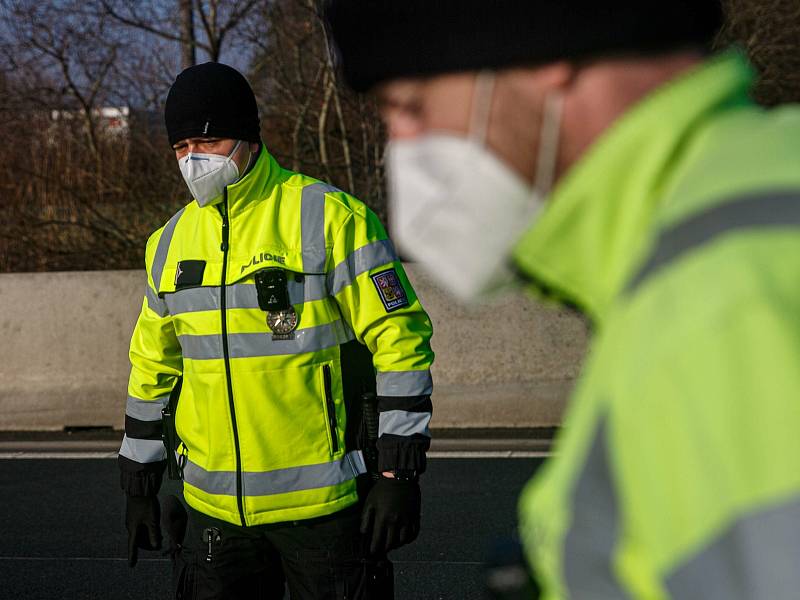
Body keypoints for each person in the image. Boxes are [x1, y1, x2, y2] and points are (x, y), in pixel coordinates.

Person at [326, 1, 800, 597]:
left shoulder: (724, 305)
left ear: (543, 53)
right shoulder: (719, 239)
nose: (403, 148)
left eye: (411, 107)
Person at [118, 61, 434, 599]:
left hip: (325, 514)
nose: (194, 158)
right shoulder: (167, 243)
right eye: (181, 146)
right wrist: (139, 482)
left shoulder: (330, 217)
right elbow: (154, 366)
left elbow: (400, 339)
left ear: (247, 136)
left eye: (210, 139)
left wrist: (398, 472)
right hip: (214, 517)